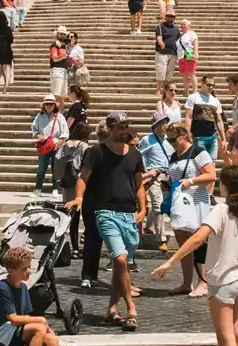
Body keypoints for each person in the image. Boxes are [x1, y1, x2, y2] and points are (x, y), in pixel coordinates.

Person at [152, 166, 238, 346]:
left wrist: (170, 262)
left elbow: (197, 238)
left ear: (223, 186)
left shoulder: (221, 210)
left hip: (224, 280)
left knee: (226, 338)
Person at [71, 112, 146, 330]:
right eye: (121, 127)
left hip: (129, 214)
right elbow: (83, 178)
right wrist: (78, 198)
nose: (124, 130)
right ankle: (131, 308)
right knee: (120, 260)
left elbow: (139, 185)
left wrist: (143, 208)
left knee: (121, 266)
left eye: (126, 126)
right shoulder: (96, 152)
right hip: (105, 212)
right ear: (110, 128)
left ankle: (112, 310)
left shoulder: (135, 155)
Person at [162, 120, 217, 297]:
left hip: (197, 202)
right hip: (179, 203)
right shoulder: (174, 156)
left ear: (184, 136)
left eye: (173, 139)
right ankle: (187, 283)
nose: (171, 143)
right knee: (183, 242)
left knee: (198, 242)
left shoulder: (198, 152)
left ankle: (203, 283)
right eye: (168, 140)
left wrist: (191, 181)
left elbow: (212, 175)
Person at [0, 246, 59, 346]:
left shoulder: (23, 287)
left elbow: (26, 315)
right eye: (24, 268)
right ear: (12, 272)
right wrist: (41, 320)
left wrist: (44, 327)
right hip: (1, 333)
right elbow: (14, 319)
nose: (29, 271)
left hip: (16, 328)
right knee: (39, 328)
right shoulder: (2, 288)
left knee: (51, 338)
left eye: (29, 267)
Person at [139, 114, 174, 252]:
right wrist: (145, 174)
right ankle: (161, 239)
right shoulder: (147, 140)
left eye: (165, 123)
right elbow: (140, 156)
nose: (164, 126)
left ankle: (148, 226)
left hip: (168, 176)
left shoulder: (169, 140)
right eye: (161, 123)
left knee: (159, 206)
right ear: (155, 126)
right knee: (158, 206)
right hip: (154, 176)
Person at [32, 96, 69, 196]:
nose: (49, 106)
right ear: (44, 106)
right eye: (47, 104)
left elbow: (65, 132)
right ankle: (38, 189)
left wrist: (60, 142)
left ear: (54, 105)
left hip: (56, 145)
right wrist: (39, 136)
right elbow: (34, 129)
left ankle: (55, 189)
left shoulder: (60, 117)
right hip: (44, 145)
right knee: (41, 168)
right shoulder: (39, 116)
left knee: (55, 168)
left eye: (51, 104)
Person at [186, 75, 227, 160]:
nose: (211, 87)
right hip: (198, 136)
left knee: (212, 162)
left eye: (213, 85)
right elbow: (188, 117)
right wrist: (187, 133)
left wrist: (223, 139)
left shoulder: (215, 101)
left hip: (213, 137)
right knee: (201, 162)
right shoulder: (193, 97)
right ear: (202, 83)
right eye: (208, 85)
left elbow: (219, 120)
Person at [156, 10, 181, 89]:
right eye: (168, 16)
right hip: (162, 52)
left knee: (169, 73)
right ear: (166, 17)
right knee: (161, 71)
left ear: (174, 18)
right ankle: (158, 90)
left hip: (173, 52)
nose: (170, 18)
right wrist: (161, 43)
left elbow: (178, 40)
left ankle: (165, 90)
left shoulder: (176, 28)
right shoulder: (160, 26)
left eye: (172, 16)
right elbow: (159, 37)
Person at [48, 27, 70, 109]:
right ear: (57, 34)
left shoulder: (65, 45)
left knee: (62, 95)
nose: (63, 36)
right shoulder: (54, 45)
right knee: (56, 94)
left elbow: (72, 38)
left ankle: (60, 112)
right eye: (61, 34)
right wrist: (63, 56)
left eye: (64, 34)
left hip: (64, 71)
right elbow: (54, 58)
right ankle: (52, 112)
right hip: (57, 70)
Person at [177, 18, 199, 96]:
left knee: (191, 74)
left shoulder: (191, 33)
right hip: (181, 57)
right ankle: (186, 92)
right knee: (184, 75)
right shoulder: (180, 35)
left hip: (189, 54)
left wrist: (196, 53)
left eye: (184, 24)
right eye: (181, 24)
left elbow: (195, 43)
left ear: (189, 26)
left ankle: (195, 91)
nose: (182, 26)